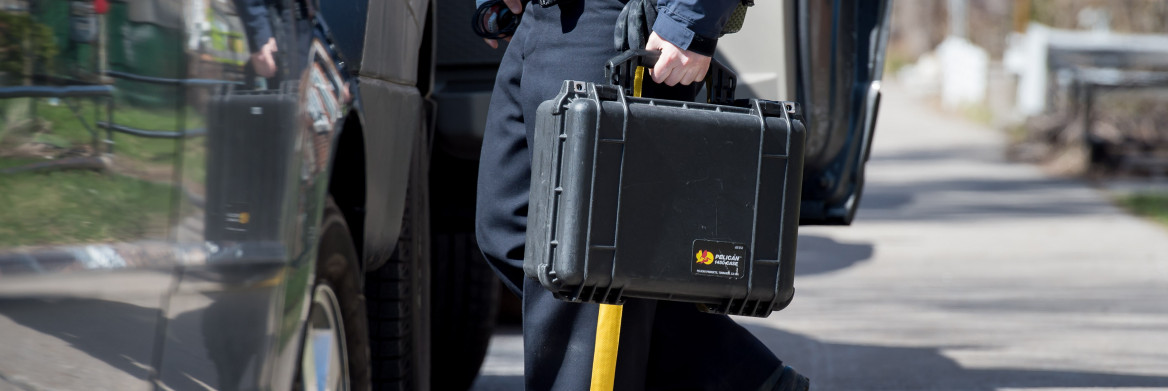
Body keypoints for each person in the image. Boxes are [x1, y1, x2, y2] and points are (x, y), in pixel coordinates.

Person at [474, 0, 810, 389]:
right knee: (512, 227)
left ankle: (743, 377)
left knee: (588, 270)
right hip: (541, 21)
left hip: (618, 25)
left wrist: (692, 20)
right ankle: (741, 377)